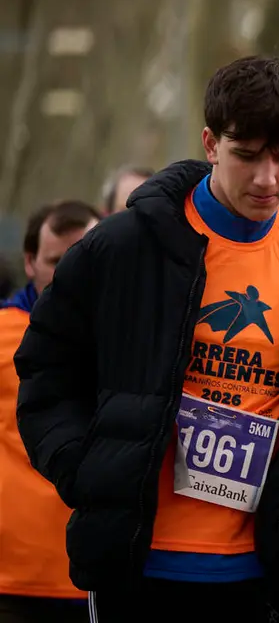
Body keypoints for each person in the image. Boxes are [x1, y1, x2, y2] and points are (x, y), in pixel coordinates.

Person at [15, 55, 279, 623]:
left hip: (275, 570)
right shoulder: (122, 248)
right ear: (211, 144)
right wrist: (85, 468)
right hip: (140, 566)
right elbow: (46, 369)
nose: (267, 178)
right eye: (247, 155)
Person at [0, 200, 98, 623]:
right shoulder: (4, 332)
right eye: (57, 261)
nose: (70, 273)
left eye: (81, 258)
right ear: (29, 262)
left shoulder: (130, 339)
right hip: (11, 577)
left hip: (92, 570)